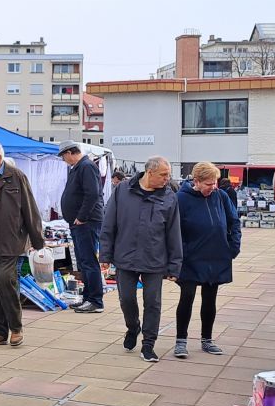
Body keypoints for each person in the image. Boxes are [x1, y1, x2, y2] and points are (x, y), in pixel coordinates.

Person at [100, 155, 182, 362]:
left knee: (152, 302)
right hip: (125, 256)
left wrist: (174, 266)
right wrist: (105, 254)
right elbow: (109, 224)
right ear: (150, 172)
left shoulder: (169, 196)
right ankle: (133, 327)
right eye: (164, 175)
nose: (167, 179)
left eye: (168, 175)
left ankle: (148, 344)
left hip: (154, 259)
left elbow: (174, 233)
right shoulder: (122, 191)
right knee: (126, 299)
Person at [0, 140, 45, 348]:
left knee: (4, 281)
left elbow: (30, 209)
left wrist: (37, 240)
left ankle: (16, 328)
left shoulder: (16, 177)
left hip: (9, 241)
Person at [173, 162, 241, 358]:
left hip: (217, 255)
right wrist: (179, 254)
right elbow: (173, 230)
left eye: (215, 183)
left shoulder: (221, 196)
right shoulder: (181, 199)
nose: (213, 187)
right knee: (187, 297)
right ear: (196, 181)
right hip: (190, 257)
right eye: (208, 184)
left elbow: (233, 221)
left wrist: (233, 247)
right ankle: (181, 341)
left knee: (210, 298)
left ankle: (207, 340)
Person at [58, 142, 105, 313]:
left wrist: (82, 217)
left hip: (86, 222)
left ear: (70, 152)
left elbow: (92, 193)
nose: (63, 160)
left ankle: (96, 301)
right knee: (84, 262)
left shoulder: (86, 166)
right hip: (80, 222)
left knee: (88, 261)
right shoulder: (79, 167)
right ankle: (88, 297)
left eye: (64, 156)